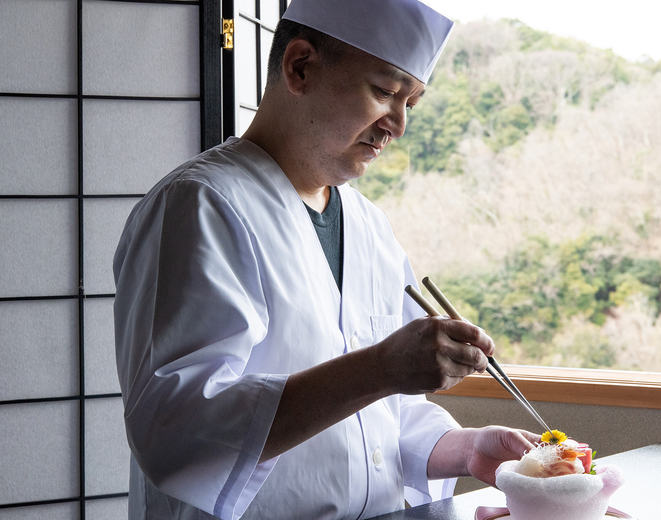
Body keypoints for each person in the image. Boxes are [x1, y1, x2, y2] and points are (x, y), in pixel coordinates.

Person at [112, 1, 538, 519]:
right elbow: (176, 431)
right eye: (384, 91)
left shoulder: (368, 226)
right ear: (300, 67)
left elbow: (386, 418)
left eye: (413, 103)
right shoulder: (201, 206)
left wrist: (466, 449)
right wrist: (380, 368)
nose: (398, 125)